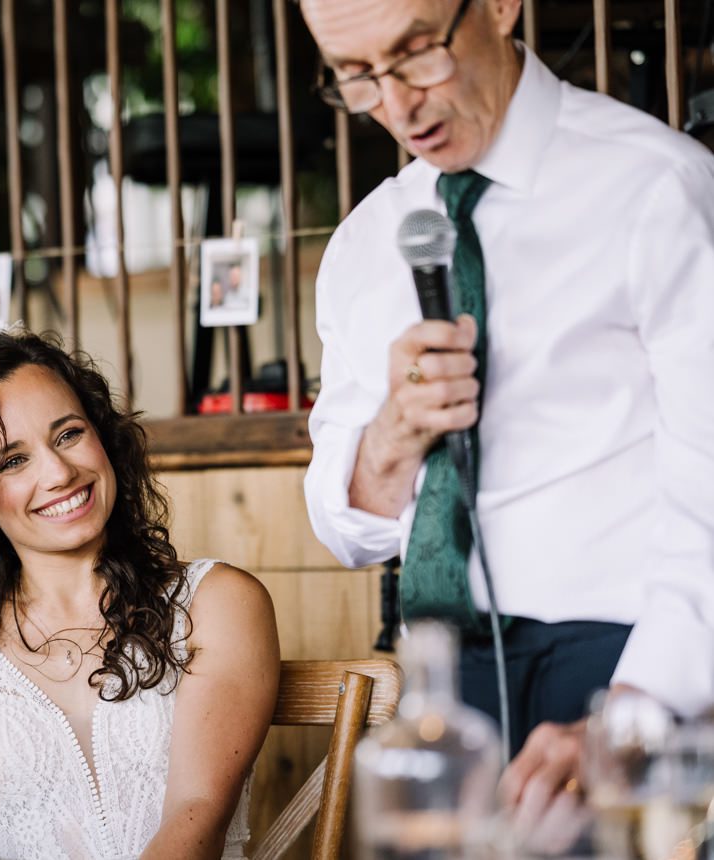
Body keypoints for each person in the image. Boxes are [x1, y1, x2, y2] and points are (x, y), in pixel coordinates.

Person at [298, 0, 714, 835]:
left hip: (633, 664)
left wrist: (634, 717)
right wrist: (394, 435)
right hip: (446, 689)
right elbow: (351, 530)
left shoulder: (656, 186)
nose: (398, 105)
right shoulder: (364, 243)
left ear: (496, 6)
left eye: (416, 53)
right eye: (357, 76)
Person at [0, 329, 279, 859]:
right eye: (12, 461)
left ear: (103, 438)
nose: (59, 473)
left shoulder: (217, 605)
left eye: (68, 434)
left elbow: (197, 814)